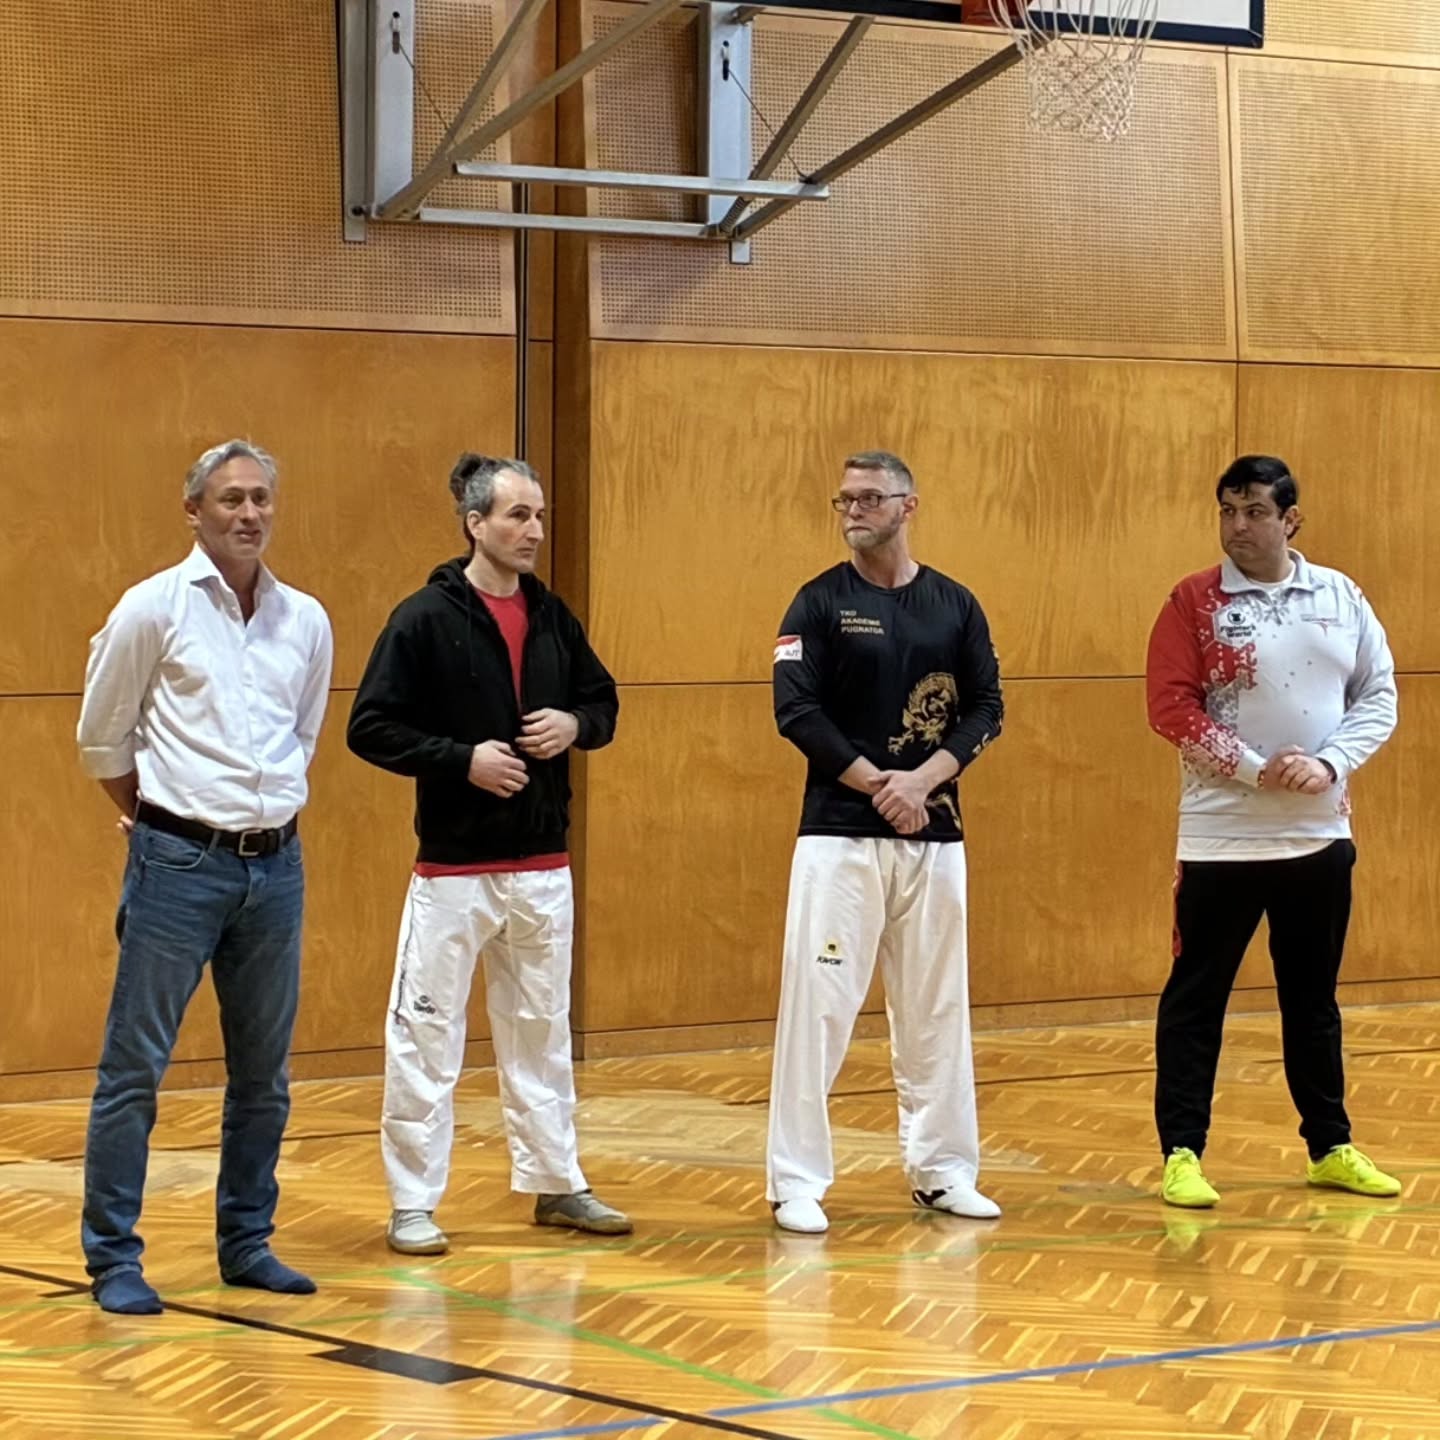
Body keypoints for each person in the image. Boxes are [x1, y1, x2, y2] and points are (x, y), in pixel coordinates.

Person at [76, 439, 333, 1314]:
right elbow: (102, 738)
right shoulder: (154, 608)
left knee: (264, 1075)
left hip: (277, 866)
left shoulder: (305, 618)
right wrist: (159, 817)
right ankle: (113, 1257)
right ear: (194, 511)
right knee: (134, 1069)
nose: (249, 513)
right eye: (230, 499)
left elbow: (302, 739)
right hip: (176, 863)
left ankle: (247, 1243)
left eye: (261, 497)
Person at [348, 453, 627, 1255]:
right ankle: (412, 1202)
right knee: (426, 1035)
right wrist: (459, 758)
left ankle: (555, 1182)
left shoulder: (552, 616)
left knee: (542, 1030)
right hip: (453, 871)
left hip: (542, 865)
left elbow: (601, 701)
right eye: (517, 516)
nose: (533, 530)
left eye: (538, 516)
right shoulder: (422, 619)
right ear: (475, 523)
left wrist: (575, 726)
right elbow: (369, 727)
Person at [1146, 454, 1400, 1208]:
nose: (1238, 527)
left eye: (1254, 511)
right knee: (1197, 999)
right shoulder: (1193, 601)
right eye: (1227, 510)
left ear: (1291, 520)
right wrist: (1258, 769)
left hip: (1319, 839)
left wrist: (1329, 763)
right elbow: (1171, 708)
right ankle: (1183, 1154)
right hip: (1221, 841)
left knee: (1313, 1000)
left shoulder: (1341, 596)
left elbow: (1378, 694)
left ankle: (1331, 1146)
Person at [766, 450, 1004, 1235]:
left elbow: (986, 708)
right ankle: (796, 1181)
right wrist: (880, 785)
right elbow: (798, 714)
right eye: (844, 499)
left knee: (936, 1008)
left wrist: (923, 782)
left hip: (935, 839)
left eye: (869, 498)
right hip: (840, 838)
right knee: (821, 1006)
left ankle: (942, 1171)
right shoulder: (817, 604)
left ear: (908, 505)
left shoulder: (955, 605)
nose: (853, 510)